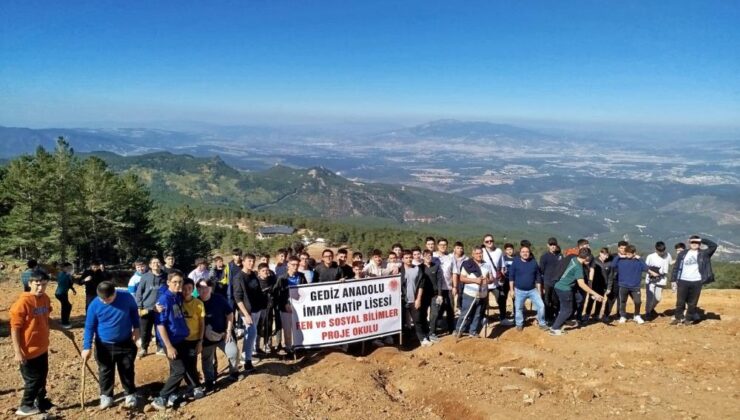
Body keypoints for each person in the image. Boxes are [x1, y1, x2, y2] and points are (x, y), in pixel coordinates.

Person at [82, 281, 141, 409]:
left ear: (114, 293)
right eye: (102, 299)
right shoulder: (94, 305)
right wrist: (87, 347)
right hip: (104, 345)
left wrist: (136, 329)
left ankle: (130, 394)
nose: (104, 301)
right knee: (105, 371)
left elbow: (134, 313)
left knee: (127, 370)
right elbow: (89, 327)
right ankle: (106, 396)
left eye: (107, 298)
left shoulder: (126, 297)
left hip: (125, 343)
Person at [152, 270, 199, 410]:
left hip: (181, 339)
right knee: (180, 370)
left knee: (176, 370)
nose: (178, 284)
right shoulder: (164, 300)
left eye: (180, 282)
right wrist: (168, 346)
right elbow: (160, 325)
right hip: (170, 342)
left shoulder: (177, 296)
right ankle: (161, 397)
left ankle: (173, 394)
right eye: (175, 282)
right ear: (168, 283)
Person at [10, 273, 53, 417]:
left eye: (44, 284)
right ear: (30, 284)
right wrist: (18, 352)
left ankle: (40, 401)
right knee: (33, 380)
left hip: (42, 347)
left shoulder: (45, 299)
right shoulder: (22, 303)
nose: (41, 287)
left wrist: (64, 330)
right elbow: (15, 328)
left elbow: (47, 318)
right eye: (37, 284)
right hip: (27, 350)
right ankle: (26, 406)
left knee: (42, 377)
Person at [197, 279, 242, 391]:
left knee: (233, 352)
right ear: (197, 289)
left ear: (211, 288)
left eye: (207, 287)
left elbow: (230, 314)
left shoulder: (219, 299)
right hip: (206, 338)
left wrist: (228, 331)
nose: (204, 290)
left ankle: (234, 372)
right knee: (207, 360)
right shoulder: (196, 302)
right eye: (201, 288)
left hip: (222, 335)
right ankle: (210, 381)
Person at [549, 249, 604, 336]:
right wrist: (595, 294)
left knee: (566, 308)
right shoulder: (578, 267)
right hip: (564, 289)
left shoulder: (574, 259)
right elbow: (581, 284)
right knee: (567, 310)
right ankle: (554, 328)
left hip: (558, 286)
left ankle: (562, 322)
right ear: (587, 257)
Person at [671, 236, 717, 326]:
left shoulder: (704, 254)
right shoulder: (682, 253)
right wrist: (673, 279)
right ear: (689, 243)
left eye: (697, 242)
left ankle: (688, 318)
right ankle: (678, 318)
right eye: (693, 242)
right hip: (683, 280)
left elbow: (713, 246)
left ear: (699, 244)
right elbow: (676, 267)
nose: (694, 244)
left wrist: (702, 239)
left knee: (692, 303)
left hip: (697, 281)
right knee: (680, 301)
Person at [232, 258, 268, 373]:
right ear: (243, 262)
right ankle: (247, 362)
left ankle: (245, 355)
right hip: (247, 311)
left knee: (252, 333)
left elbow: (257, 291)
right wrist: (246, 314)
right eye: (249, 261)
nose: (251, 263)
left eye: (253, 261)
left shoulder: (253, 274)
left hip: (256, 309)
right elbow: (238, 298)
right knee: (251, 333)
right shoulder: (238, 278)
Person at [611, 245, 659, 324]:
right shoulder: (621, 260)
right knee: (622, 302)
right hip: (623, 285)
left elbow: (646, 268)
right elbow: (612, 265)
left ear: (634, 253)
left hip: (635, 286)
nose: (628, 255)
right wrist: (618, 256)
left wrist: (640, 258)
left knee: (638, 301)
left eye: (630, 253)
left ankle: (637, 315)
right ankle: (622, 316)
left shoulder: (638, 262)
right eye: (627, 253)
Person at [273, 257, 307, 356]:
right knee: (287, 331)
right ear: (288, 265)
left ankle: (299, 347)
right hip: (286, 309)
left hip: (299, 308)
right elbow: (276, 294)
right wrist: (284, 304)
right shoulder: (282, 278)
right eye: (293, 265)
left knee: (300, 329)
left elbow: (306, 290)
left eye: (297, 265)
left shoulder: (301, 276)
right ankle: (288, 349)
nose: (295, 267)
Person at [508, 245, 547, 332]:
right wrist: (511, 290)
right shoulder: (516, 262)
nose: (525, 253)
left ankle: (542, 323)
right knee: (518, 308)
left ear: (529, 253)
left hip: (533, 290)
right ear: (520, 253)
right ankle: (519, 324)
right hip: (519, 290)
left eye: (527, 252)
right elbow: (511, 277)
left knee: (541, 306)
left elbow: (538, 278)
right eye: (523, 252)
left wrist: (539, 290)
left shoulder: (533, 262)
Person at [455, 246, 491, 338]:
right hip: (470, 294)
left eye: (480, 253)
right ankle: (459, 330)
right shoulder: (468, 264)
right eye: (477, 253)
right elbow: (462, 278)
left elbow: (490, 279)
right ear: (473, 254)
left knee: (478, 315)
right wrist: (475, 280)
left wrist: (487, 280)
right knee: (465, 313)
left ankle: (473, 331)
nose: (479, 255)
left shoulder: (487, 265)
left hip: (482, 294)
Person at [135, 257, 167, 358]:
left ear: (161, 264)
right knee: (145, 329)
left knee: (160, 328)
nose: (156, 264)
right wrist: (139, 306)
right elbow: (139, 292)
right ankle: (144, 348)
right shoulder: (145, 277)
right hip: (146, 307)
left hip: (161, 308)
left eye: (158, 262)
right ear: (150, 265)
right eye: (153, 262)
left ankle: (160, 347)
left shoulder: (166, 276)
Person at [400, 250, 432, 346]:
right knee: (403, 323)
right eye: (406, 258)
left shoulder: (417, 269)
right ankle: (404, 342)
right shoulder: (399, 270)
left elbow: (421, 285)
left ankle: (422, 339)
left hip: (414, 300)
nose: (409, 259)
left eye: (410, 257)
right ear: (402, 259)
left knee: (417, 320)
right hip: (402, 300)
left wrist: (418, 299)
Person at [180, 278, 205, 398]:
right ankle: (190, 385)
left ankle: (196, 386)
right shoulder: (177, 301)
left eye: (189, 289)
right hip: (180, 339)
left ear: (193, 289)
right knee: (181, 365)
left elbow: (202, 323)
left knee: (191, 364)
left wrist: (200, 341)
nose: (186, 291)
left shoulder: (198, 304)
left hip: (193, 339)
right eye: (184, 289)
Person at [481, 234, 511, 326]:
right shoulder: (481, 251)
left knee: (501, 300)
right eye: (487, 241)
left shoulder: (498, 251)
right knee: (483, 302)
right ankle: (482, 318)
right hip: (484, 282)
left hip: (496, 283)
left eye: (491, 241)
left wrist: (501, 276)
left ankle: (503, 318)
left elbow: (502, 265)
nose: (489, 242)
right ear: (484, 243)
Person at [644, 241, 672, 320]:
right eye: (659, 251)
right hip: (651, 280)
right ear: (656, 249)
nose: (661, 252)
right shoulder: (651, 257)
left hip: (661, 280)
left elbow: (670, 262)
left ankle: (651, 309)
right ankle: (647, 312)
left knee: (658, 298)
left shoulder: (668, 255)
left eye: (663, 251)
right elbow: (645, 267)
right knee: (650, 298)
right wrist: (651, 272)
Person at [434, 238, 456, 334]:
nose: (443, 246)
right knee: (437, 308)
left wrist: (454, 286)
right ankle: (436, 328)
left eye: (445, 245)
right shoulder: (433, 256)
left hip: (448, 287)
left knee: (450, 308)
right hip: (436, 288)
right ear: (437, 246)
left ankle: (451, 328)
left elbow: (454, 273)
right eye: (441, 245)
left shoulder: (451, 257)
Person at [584, 248, 611, 323]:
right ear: (600, 253)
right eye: (604, 254)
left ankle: (596, 314)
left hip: (603, 286)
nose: (606, 256)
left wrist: (608, 286)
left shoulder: (609, 263)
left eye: (607, 255)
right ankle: (587, 314)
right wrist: (590, 284)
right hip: (594, 285)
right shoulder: (594, 261)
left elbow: (610, 276)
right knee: (591, 300)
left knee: (600, 300)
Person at [422, 249, 442, 341]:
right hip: (423, 295)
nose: (428, 257)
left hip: (434, 295)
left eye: (430, 255)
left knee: (434, 314)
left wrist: (440, 294)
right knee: (423, 314)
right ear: (423, 257)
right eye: (426, 255)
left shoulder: (436, 266)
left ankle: (432, 333)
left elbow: (439, 280)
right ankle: (425, 332)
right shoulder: (419, 267)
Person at [55, 262, 76, 328]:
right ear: (64, 268)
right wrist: (68, 275)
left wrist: (73, 289)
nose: (70, 269)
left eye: (71, 268)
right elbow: (61, 282)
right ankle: (64, 323)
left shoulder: (68, 275)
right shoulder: (61, 274)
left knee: (66, 306)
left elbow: (69, 284)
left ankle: (65, 321)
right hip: (60, 293)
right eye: (68, 268)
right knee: (67, 306)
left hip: (64, 293)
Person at [451, 241, 468, 313]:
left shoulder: (466, 258)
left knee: (460, 293)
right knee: (451, 293)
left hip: (461, 277)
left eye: (461, 248)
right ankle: (451, 308)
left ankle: (459, 307)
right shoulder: (450, 257)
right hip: (451, 277)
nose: (460, 250)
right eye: (458, 248)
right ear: (454, 249)